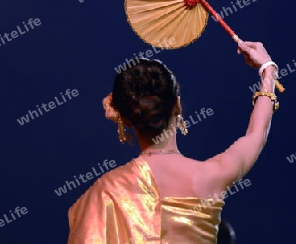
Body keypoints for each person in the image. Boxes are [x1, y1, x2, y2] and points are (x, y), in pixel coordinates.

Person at [67, 41, 280, 243]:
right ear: (177, 105)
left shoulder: (107, 190)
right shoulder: (212, 176)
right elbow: (255, 134)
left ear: (126, 119)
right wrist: (268, 71)